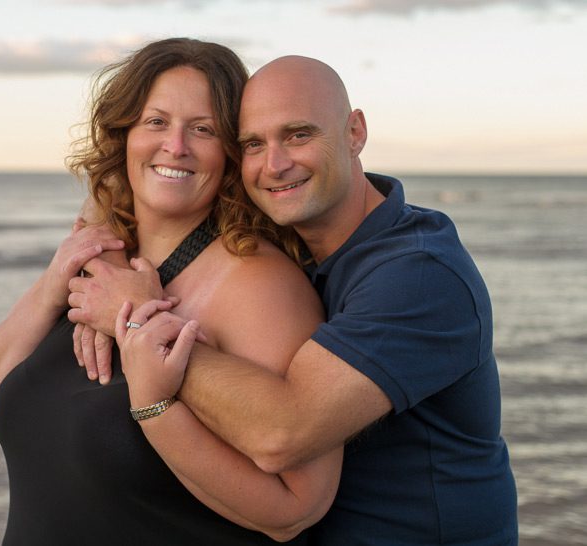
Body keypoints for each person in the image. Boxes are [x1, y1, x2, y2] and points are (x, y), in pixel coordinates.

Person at [68, 55, 519, 545]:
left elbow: (281, 435)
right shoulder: (295, 239)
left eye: (299, 135)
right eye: (254, 144)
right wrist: (107, 261)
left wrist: (133, 321)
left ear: (355, 132)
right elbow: (127, 194)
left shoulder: (418, 274)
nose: (275, 164)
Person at [0, 39, 343, 545]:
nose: (176, 146)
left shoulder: (258, 282)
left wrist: (138, 329)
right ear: (123, 133)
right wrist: (59, 276)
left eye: (204, 129)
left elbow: (297, 508)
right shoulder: (98, 257)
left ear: (233, 151)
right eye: (156, 122)